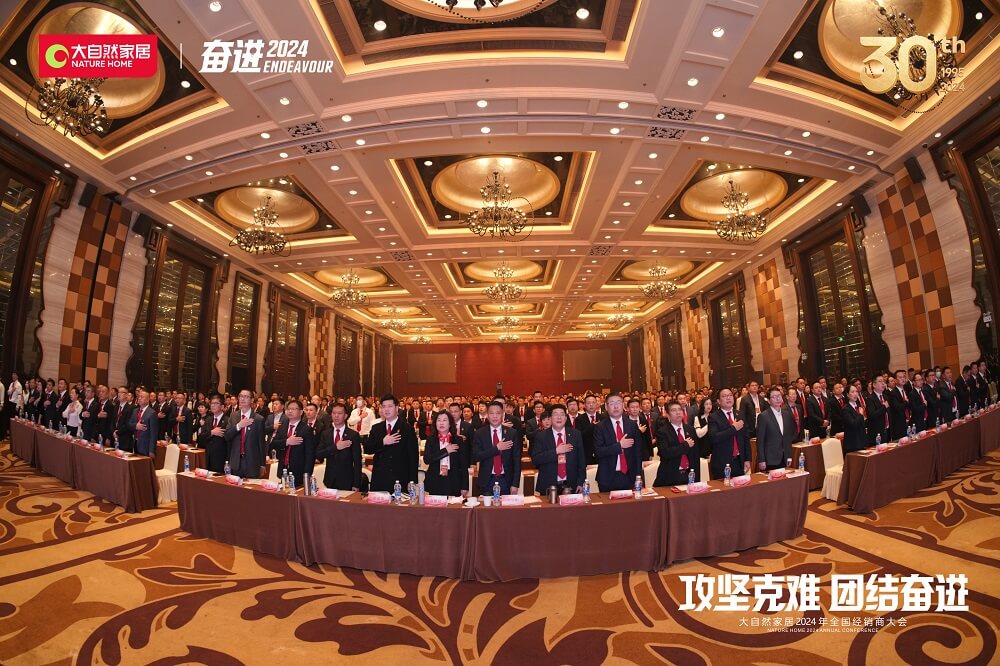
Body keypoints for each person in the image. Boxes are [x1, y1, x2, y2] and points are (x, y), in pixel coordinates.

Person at [366, 394, 419, 492]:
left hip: (400, 478)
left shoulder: (407, 429)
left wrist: (412, 481)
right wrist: (383, 442)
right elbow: (367, 448)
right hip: (380, 477)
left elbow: (413, 456)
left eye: (390, 406)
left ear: (397, 408)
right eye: (383, 406)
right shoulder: (376, 428)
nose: (386, 409)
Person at [531, 404, 586, 495]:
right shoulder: (541, 436)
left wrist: (581, 482)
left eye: (562, 414)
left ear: (566, 418)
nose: (559, 417)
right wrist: (556, 451)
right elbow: (536, 459)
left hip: (572, 484)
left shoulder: (575, 434)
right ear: (550, 418)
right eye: (555, 414)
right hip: (548, 484)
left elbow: (581, 460)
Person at [593, 393, 643, 492]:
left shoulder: (632, 425)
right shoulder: (600, 427)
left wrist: (638, 476)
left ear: (623, 405)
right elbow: (598, 452)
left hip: (629, 476)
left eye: (618, 403)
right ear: (606, 407)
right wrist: (619, 446)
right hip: (607, 478)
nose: (615, 406)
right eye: (612, 403)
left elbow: (638, 453)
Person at [472, 400, 521, 495]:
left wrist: (515, 484)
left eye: (498, 413)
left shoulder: (511, 433)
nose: (495, 416)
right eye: (491, 413)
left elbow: (517, 460)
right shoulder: (480, 433)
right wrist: (496, 449)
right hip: (487, 480)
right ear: (487, 415)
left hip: (506, 480)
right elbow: (476, 456)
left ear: (503, 414)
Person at [269, 400, 316, 489]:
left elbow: (310, 455)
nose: (290, 411)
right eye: (288, 409)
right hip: (283, 470)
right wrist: (286, 442)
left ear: (301, 412)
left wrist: (307, 474)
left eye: (294, 409)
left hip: (299, 472)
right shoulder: (282, 426)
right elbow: (273, 444)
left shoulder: (307, 430)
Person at [653, 400, 700, 486]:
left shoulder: (690, 430)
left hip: (689, 474)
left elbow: (695, 455)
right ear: (668, 415)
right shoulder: (662, 432)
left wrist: (697, 478)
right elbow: (665, 452)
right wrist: (685, 445)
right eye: (673, 410)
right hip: (670, 476)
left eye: (679, 409)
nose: (678, 412)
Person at [317, 402, 362, 491]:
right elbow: (319, 454)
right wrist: (335, 447)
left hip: (347, 480)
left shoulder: (353, 435)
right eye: (334, 413)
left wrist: (356, 484)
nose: (336, 416)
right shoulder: (326, 434)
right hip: (330, 479)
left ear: (345, 416)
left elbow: (357, 461)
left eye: (340, 413)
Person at [423, 411, 468, 497]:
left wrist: (465, 486)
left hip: (453, 480)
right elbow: (427, 459)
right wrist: (445, 451)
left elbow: (463, 465)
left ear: (450, 423)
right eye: (439, 420)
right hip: (435, 480)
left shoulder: (458, 440)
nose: (441, 423)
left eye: (444, 420)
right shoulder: (431, 439)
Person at [707, 388, 749, 480]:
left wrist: (747, 459)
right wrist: (733, 428)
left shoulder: (740, 414)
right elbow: (714, 438)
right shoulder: (713, 417)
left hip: (739, 461)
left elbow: (745, 438)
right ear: (718, 401)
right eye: (724, 396)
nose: (728, 398)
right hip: (722, 463)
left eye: (730, 395)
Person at [225, 389, 265, 478]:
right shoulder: (233, 416)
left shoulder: (258, 419)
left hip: (252, 462)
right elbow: (227, 436)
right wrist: (238, 426)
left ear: (252, 400)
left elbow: (261, 443)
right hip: (236, 461)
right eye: (241, 396)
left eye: (246, 397)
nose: (242, 399)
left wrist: (262, 464)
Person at [755, 387, 796, 472]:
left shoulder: (787, 414)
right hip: (771, 458)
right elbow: (760, 440)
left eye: (779, 396)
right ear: (768, 401)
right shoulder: (763, 416)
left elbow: (788, 437)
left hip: (785, 457)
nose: (778, 399)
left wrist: (789, 456)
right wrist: (761, 459)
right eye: (774, 397)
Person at [199, 394, 229, 474]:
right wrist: (212, 432)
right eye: (212, 403)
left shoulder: (227, 421)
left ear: (222, 407)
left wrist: (228, 461)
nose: (213, 405)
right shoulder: (208, 420)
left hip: (221, 460)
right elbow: (201, 438)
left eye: (216, 403)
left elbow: (229, 442)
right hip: (208, 458)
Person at [129, 389, 158, 456]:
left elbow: (153, 434)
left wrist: (151, 450)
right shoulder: (135, 411)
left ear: (147, 400)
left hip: (145, 446)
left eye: (142, 397)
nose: (139, 398)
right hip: (135, 443)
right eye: (139, 396)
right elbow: (129, 424)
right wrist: (136, 426)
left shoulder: (152, 413)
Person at [886, 369, 912, 439]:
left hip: (908, 422)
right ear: (895, 380)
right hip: (899, 425)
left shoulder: (906, 390)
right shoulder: (893, 393)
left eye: (904, 377)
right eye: (900, 377)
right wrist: (906, 402)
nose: (903, 379)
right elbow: (897, 408)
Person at [842, 385, 868, 453]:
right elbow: (853, 424)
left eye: (856, 391)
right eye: (852, 392)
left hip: (861, 441)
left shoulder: (859, 407)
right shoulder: (845, 409)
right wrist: (860, 415)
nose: (855, 394)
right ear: (847, 395)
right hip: (852, 444)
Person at [865, 376, 890, 444]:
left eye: (883, 381)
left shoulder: (886, 397)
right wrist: (884, 407)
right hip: (876, 433)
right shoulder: (870, 399)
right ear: (874, 385)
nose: (883, 383)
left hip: (887, 430)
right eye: (880, 381)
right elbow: (872, 415)